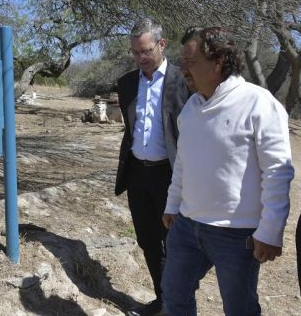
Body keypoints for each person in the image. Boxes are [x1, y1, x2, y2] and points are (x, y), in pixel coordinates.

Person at [162, 26, 295, 316]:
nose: (183, 68)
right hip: (186, 227)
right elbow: (183, 163)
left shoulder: (258, 103)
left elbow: (277, 172)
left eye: (191, 61)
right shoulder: (191, 109)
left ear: (218, 62)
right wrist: (173, 204)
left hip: (236, 236)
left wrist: (271, 230)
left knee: (240, 309)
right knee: (174, 298)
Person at [115, 18, 189, 316]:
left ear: (161, 44)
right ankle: (162, 300)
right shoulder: (127, 83)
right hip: (137, 174)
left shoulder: (183, 80)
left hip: (171, 175)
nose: (140, 58)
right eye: (135, 52)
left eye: (145, 51)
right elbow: (131, 129)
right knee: (147, 240)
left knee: (175, 244)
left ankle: (177, 303)